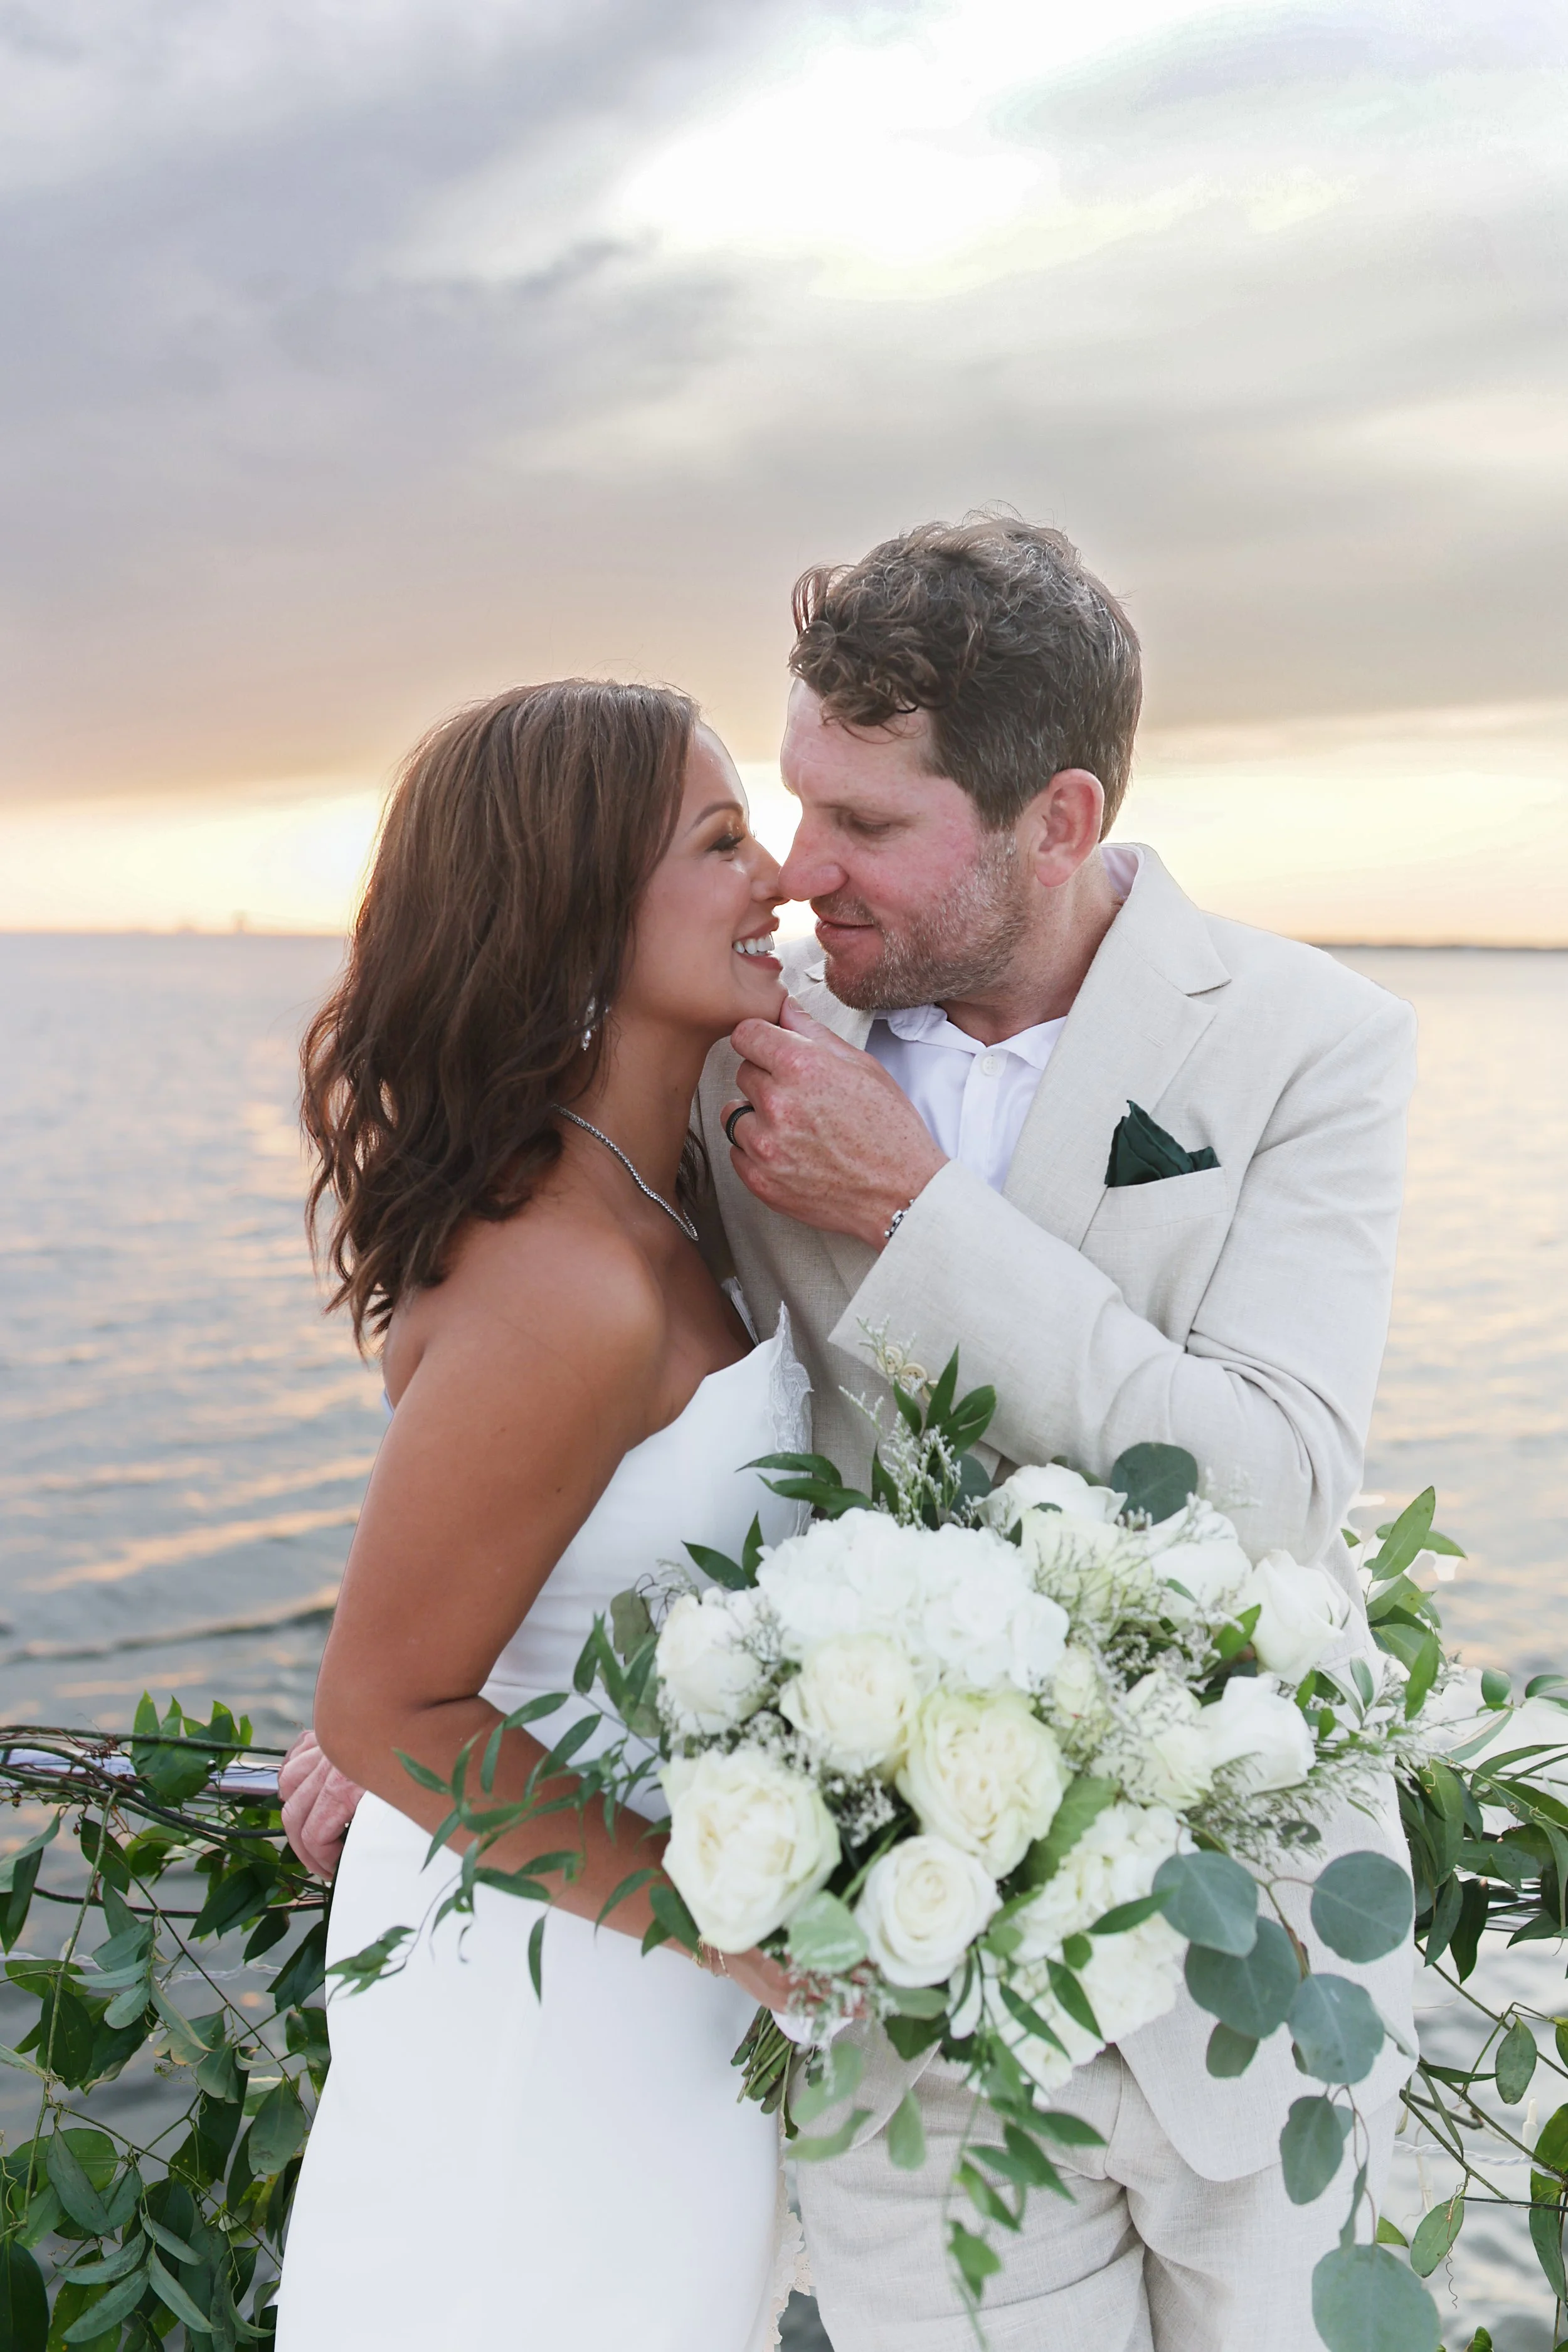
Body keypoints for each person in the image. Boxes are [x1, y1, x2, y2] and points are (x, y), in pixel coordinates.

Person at [284, 517, 1419, 2351]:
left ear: (1054, 820)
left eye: (861, 828)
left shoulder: (1310, 1045)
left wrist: (923, 1219)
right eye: (769, 813)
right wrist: (418, 1702)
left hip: (1233, 1962)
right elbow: (535, 1377)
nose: (801, 878)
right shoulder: (739, 1050)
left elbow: (1273, 1492)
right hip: (874, 2011)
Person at [274, 680, 813, 2352]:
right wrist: (717, 1920)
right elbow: (381, 1701)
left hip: (647, 1983)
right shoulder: (564, 1278)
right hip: (550, 1992)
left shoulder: (670, 1201)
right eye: (721, 842)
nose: (779, 875)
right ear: (580, 909)